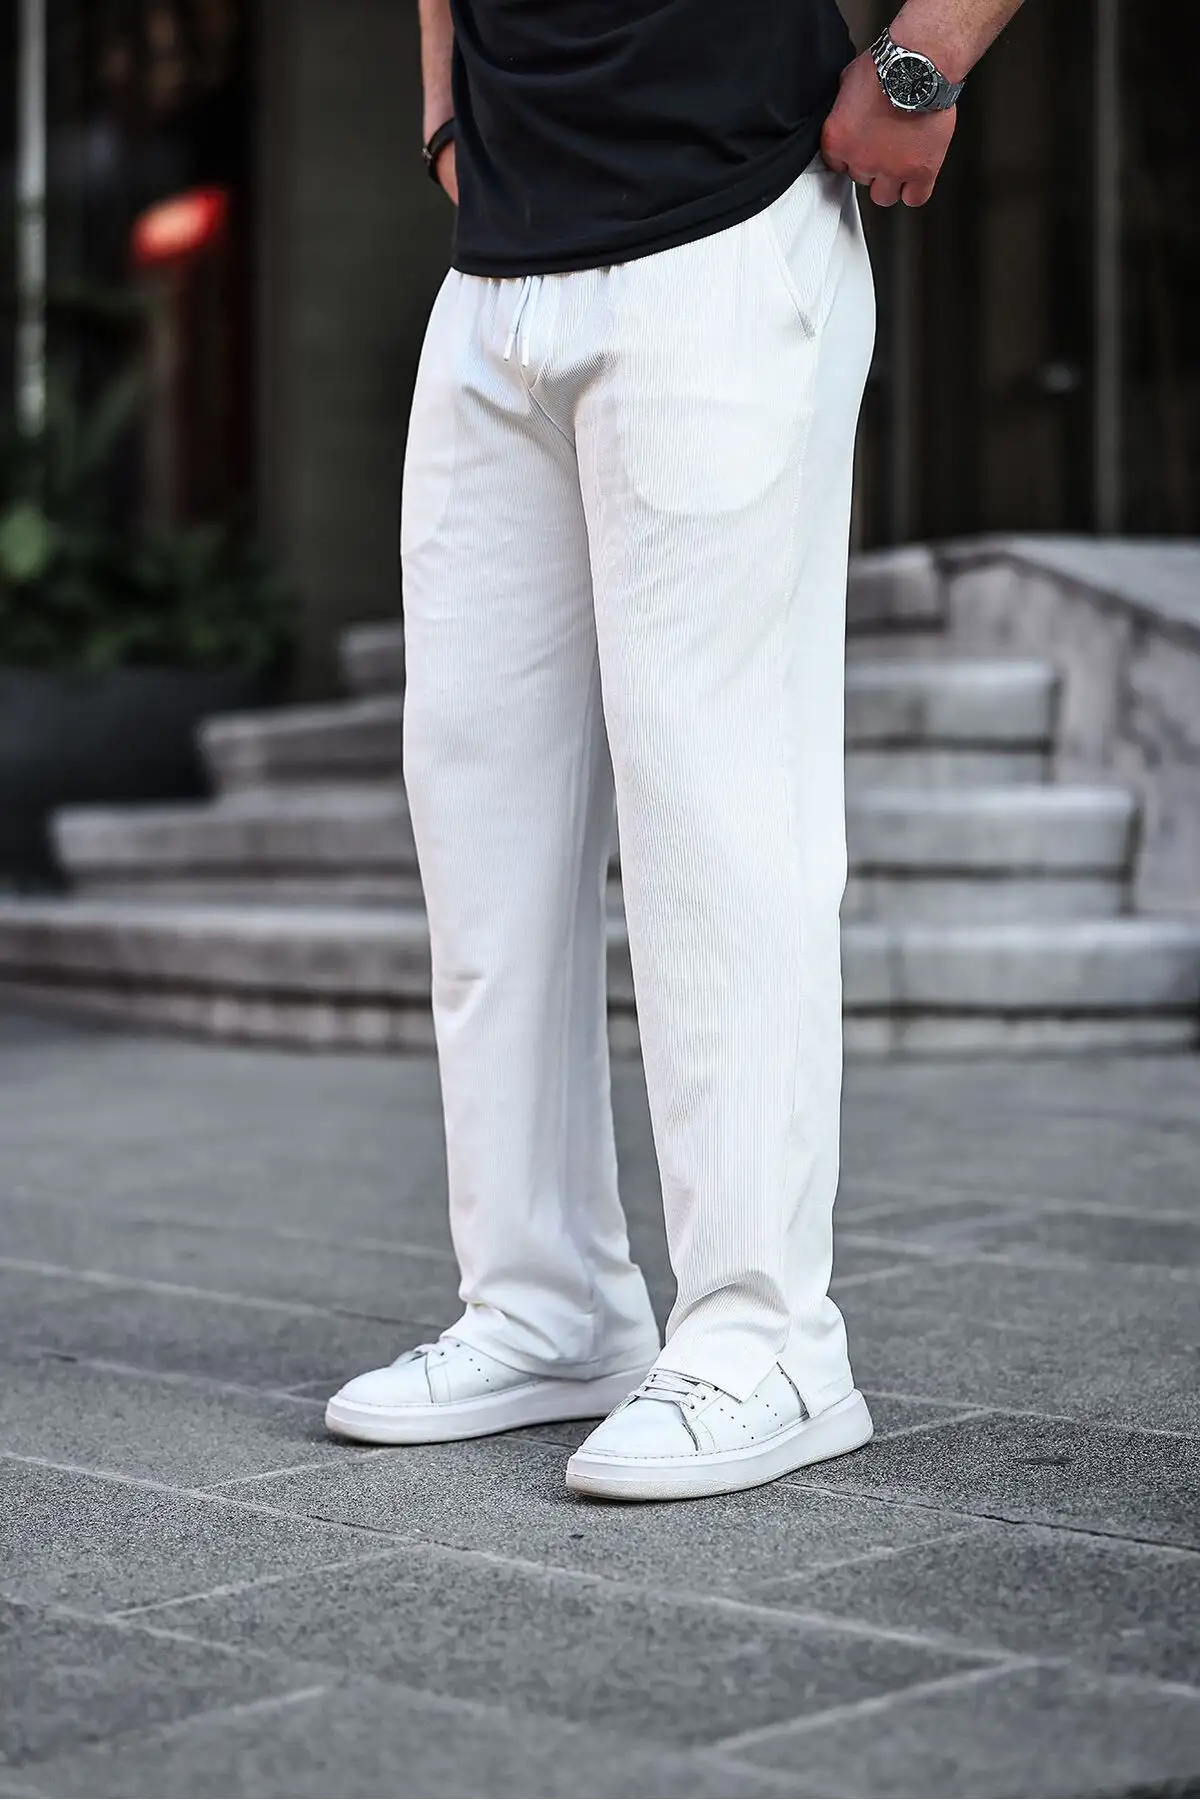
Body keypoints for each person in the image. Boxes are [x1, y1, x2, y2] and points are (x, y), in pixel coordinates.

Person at [327, 0, 1025, 1501]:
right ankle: (545, 1306)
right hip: (496, 276)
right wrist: (447, 110)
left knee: (718, 810)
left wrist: (925, 61)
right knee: (481, 818)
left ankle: (770, 1340)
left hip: (722, 228)